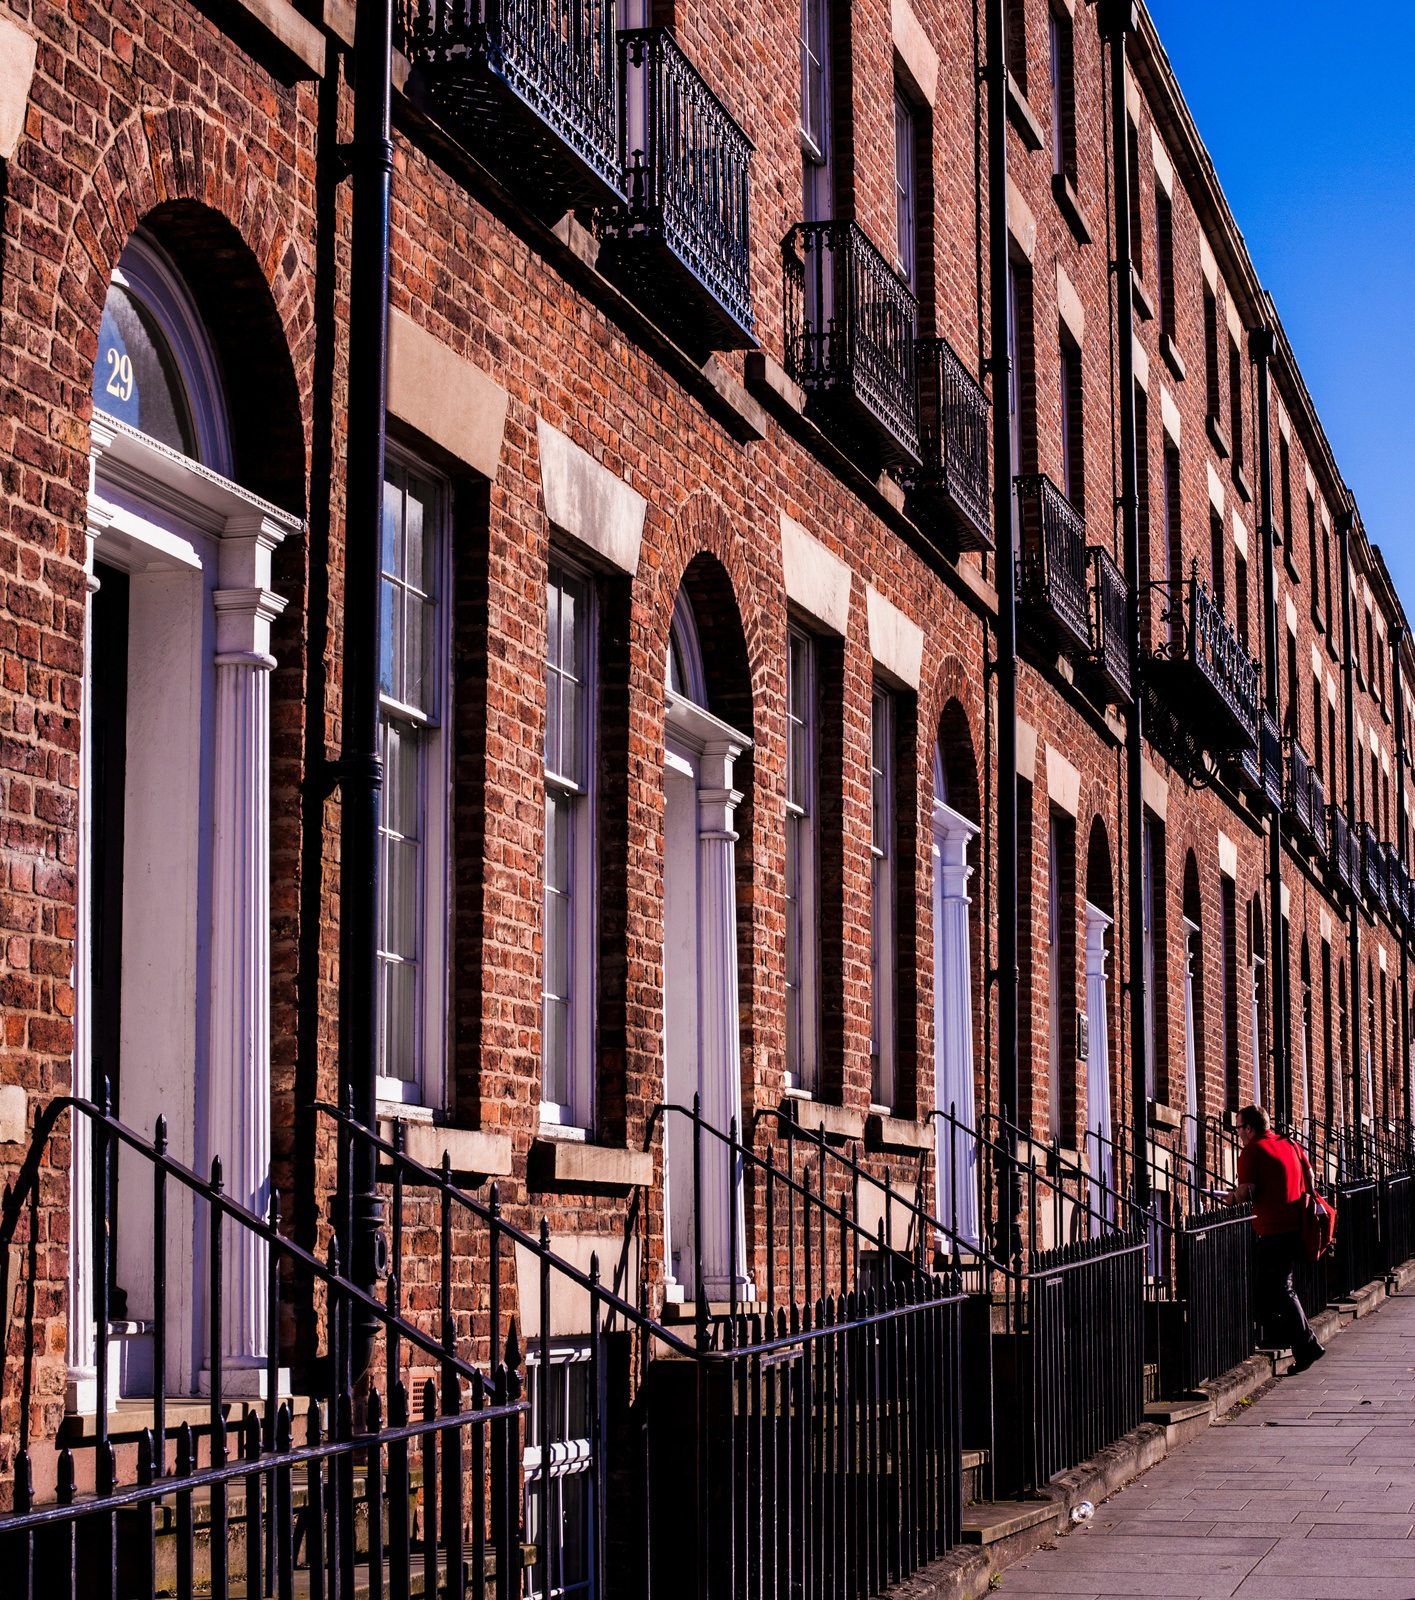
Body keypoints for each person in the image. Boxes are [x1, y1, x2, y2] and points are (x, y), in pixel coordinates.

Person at [1223, 1104, 1325, 1373]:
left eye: (1238, 1128)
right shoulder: (1289, 1143)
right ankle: (1281, 1337)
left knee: (1279, 1288)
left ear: (1249, 1128)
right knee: (1268, 1287)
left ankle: (1307, 1344)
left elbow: (1245, 1193)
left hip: (1273, 1229)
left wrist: (1229, 1198)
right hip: (1295, 1225)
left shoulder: (1252, 1151)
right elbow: (1311, 1176)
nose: (1238, 1134)